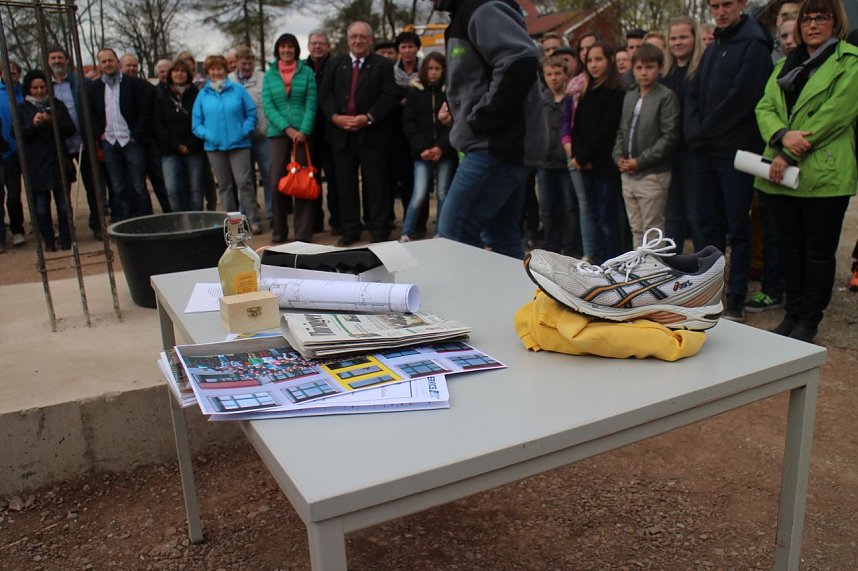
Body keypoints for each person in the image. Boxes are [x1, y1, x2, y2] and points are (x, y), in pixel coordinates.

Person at [754, 0, 858, 343]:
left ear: (835, 22)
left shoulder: (850, 62)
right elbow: (765, 105)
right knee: (792, 249)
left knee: (818, 251)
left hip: (824, 173)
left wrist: (787, 149)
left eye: (821, 18)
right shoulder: (786, 63)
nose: (813, 25)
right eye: (807, 18)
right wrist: (782, 135)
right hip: (784, 173)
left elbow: (836, 114)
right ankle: (793, 313)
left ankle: (810, 320)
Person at [430, 0, 547, 260]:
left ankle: (473, 299)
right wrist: (461, 113)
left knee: (454, 231)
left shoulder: (481, 6)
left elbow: (520, 63)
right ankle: (514, 300)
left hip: (497, 145)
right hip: (501, 143)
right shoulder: (467, 11)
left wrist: (477, 119)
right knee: (503, 235)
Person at [684, 0, 773, 322]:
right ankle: (706, 294)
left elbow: (742, 97)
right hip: (705, 151)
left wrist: (703, 131)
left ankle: (735, 298)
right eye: (715, 5)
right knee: (707, 227)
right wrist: (693, 131)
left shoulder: (754, 42)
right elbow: (693, 92)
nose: (720, 11)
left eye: (727, 4)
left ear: (742, 4)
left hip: (734, 151)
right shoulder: (715, 44)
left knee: (737, 227)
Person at [320, 21, 398, 245]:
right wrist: (334, 117)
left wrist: (369, 117)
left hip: (373, 134)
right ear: (347, 40)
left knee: (376, 186)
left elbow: (389, 96)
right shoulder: (336, 64)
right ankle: (351, 230)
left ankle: (379, 230)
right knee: (345, 186)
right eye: (354, 36)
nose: (358, 41)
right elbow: (324, 95)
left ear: (370, 40)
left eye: (363, 37)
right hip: (341, 134)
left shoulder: (383, 65)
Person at [612, 44, 680, 247]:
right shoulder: (630, 95)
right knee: (637, 229)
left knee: (653, 230)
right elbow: (621, 131)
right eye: (639, 67)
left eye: (649, 67)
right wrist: (618, 157)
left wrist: (640, 161)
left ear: (660, 68)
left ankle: (653, 274)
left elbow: (669, 138)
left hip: (652, 175)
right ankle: (638, 273)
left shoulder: (666, 97)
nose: (643, 72)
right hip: (628, 174)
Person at [571, 41, 626, 263]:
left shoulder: (615, 93)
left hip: (603, 165)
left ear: (609, 61)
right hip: (585, 165)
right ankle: (599, 259)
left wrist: (585, 157)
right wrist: (577, 156)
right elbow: (578, 128)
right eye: (590, 60)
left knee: (607, 218)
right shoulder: (587, 91)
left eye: (598, 59)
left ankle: (612, 262)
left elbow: (606, 130)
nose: (593, 65)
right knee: (593, 216)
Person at [192, 55, 260, 229]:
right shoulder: (202, 94)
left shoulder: (238, 90)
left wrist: (243, 131)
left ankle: (253, 219)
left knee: (244, 182)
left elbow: (251, 113)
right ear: (208, 72)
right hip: (214, 147)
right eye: (213, 69)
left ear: (225, 70)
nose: (216, 72)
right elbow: (196, 123)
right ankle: (234, 224)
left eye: (219, 68)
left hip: (240, 144)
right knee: (225, 186)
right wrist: (208, 135)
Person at [48, 46, 108, 240]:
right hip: (60, 146)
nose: (57, 61)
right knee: (63, 189)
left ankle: (98, 225)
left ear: (67, 60)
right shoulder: (44, 86)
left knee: (94, 186)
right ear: (48, 62)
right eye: (53, 58)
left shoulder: (82, 84)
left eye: (60, 57)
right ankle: (67, 229)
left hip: (85, 142)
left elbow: (96, 110)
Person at [262, 33, 317, 243]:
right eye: (283, 47)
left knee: (302, 182)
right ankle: (279, 231)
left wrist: (303, 130)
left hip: (303, 135)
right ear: (278, 50)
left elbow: (311, 103)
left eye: (290, 46)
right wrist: (287, 129)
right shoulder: (269, 75)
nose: (286, 50)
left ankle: (302, 234)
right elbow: (268, 106)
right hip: (279, 134)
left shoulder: (307, 73)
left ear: (296, 49)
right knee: (277, 182)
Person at [90, 48, 154, 221]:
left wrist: (137, 134)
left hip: (130, 140)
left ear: (117, 62)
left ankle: (146, 221)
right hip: (110, 141)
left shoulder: (133, 83)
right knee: (118, 187)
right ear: (99, 65)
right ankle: (125, 222)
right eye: (103, 61)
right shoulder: (95, 87)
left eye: (110, 60)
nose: (107, 64)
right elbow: (92, 113)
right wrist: (99, 133)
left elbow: (145, 110)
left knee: (139, 185)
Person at [400, 52, 457, 242]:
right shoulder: (415, 91)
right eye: (430, 68)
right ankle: (407, 231)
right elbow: (409, 123)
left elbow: (455, 123)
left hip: (445, 153)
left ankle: (441, 232)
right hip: (421, 153)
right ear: (424, 70)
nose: (433, 73)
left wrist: (441, 147)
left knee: (443, 192)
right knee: (419, 193)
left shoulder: (449, 91)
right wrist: (422, 148)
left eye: (438, 69)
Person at [18, 69, 76, 251]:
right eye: (35, 87)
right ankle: (48, 241)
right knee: (41, 208)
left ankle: (67, 240)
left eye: (42, 86)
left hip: (58, 162)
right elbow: (17, 133)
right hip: (36, 165)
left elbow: (70, 129)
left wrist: (52, 121)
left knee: (63, 206)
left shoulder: (57, 105)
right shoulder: (22, 108)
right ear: (29, 89)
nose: (39, 91)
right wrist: (32, 124)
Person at [663, 16, 705, 252]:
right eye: (674, 38)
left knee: (695, 214)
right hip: (669, 152)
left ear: (694, 38)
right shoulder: (666, 73)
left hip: (693, 153)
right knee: (673, 217)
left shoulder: (700, 70)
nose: (678, 42)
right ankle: (672, 267)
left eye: (683, 37)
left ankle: (701, 268)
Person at [536, 56, 580, 255]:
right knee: (547, 207)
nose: (553, 78)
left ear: (566, 75)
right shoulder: (541, 99)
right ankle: (550, 244)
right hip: (545, 162)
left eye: (557, 74)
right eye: (549, 74)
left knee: (569, 207)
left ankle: (570, 246)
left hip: (566, 161)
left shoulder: (571, 98)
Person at [154, 58, 206, 211]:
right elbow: (159, 124)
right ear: (170, 73)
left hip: (194, 148)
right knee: (172, 189)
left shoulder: (197, 94)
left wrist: (189, 145)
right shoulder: (161, 95)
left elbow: (202, 120)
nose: (179, 74)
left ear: (188, 74)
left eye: (183, 71)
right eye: (176, 70)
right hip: (170, 150)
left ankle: (197, 222)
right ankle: (179, 222)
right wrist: (176, 146)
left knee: (196, 189)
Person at [229, 46, 272, 226]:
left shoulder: (264, 78)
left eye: (249, 62)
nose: (246, 66)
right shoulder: (229, 80)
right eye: (243, 62)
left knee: (269, 175)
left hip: (263, 135)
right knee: (245, 180)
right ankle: (248, 213)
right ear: (236, 62)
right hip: (240, 139)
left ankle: (272, 213)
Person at [305, 30, 339, 234]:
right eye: (314, 43)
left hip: (332, 132)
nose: (318, 46)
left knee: (335, 180)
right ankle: (314, 222)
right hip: (309, 134)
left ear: (328, 46)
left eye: (322, 43)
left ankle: (337, 221)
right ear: (308, 46)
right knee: (311, 180)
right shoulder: (303, 68)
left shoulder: (336, 66)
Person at [0, 61, 25, 248]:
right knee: (13, 194)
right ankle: (16, 230)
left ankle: (25, 227)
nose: (11, 76)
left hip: (27, 151)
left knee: (35, 192)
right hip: (6, 152)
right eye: (7, 72)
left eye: (14, 72)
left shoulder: (25, 92)